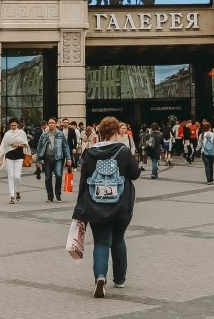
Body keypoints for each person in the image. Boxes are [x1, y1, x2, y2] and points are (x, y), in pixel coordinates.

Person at [72, 116, 141, 298]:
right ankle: (119, 279)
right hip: (121, 205)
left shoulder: (89, 153)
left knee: (101, 241)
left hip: (96, 205)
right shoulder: (124, 151)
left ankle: (100, 278)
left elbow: (84, 182)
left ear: (100, 132)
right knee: (118, 240)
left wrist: (80, 208)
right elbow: (134, 175)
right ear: (117, 132)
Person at [36, 118, 71, 202]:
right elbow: (39, 147)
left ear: (56, 124)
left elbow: (65, 146)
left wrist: (68, 158)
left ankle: (58, 194)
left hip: (58, 158)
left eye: (53, 123)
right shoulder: (44, 135)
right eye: (49, 123)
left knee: (58, 175)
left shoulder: (60, 134)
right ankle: (50, 196)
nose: (51, 124)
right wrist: (38, 160)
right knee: (48, 178)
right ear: (48, 124)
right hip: (47, 158)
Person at [0, 119, 31, 204]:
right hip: (9, 157)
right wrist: (1, 157)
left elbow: (26, 144)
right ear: (10, 125)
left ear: (17, 125)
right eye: (11, 125)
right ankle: (12, 196)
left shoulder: (21, 133)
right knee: (10, 177)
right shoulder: (7, 134)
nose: (13, 127)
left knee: (17, 176)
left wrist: (17, 144)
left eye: (14, 125)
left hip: (19, 157)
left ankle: (18, 191)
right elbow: (3, 146)